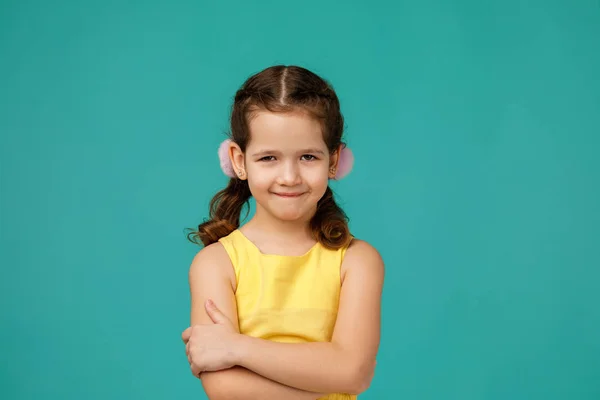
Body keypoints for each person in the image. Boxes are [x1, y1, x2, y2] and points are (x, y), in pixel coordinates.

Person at [181, 65, 384, 400]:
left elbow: (354, 372)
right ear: (239, 160)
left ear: (333, 160)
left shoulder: (357, 262)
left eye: (308, 156)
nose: (289, 177)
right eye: (269, 158)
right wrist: (326, 381)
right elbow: (225, 388)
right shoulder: (215, 264)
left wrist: (237, 348)